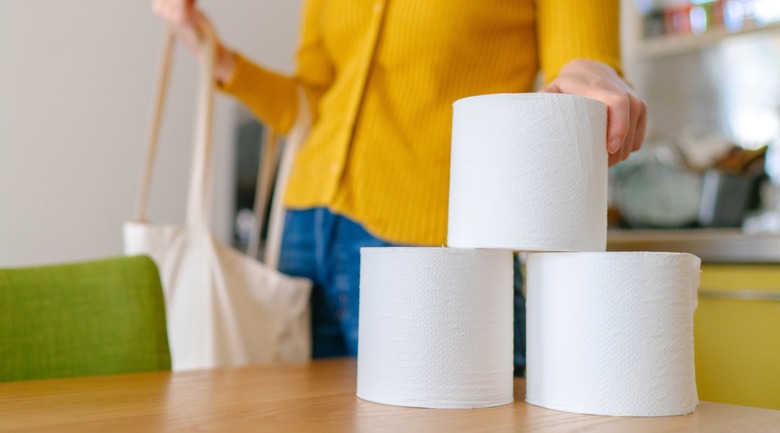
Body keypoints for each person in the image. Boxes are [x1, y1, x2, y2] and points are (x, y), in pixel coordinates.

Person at [153, 0, 647, 374]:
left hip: (429, 244)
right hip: (304, 237)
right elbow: (310, 103)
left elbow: (583, 59)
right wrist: (212, 54)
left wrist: (596, 78)